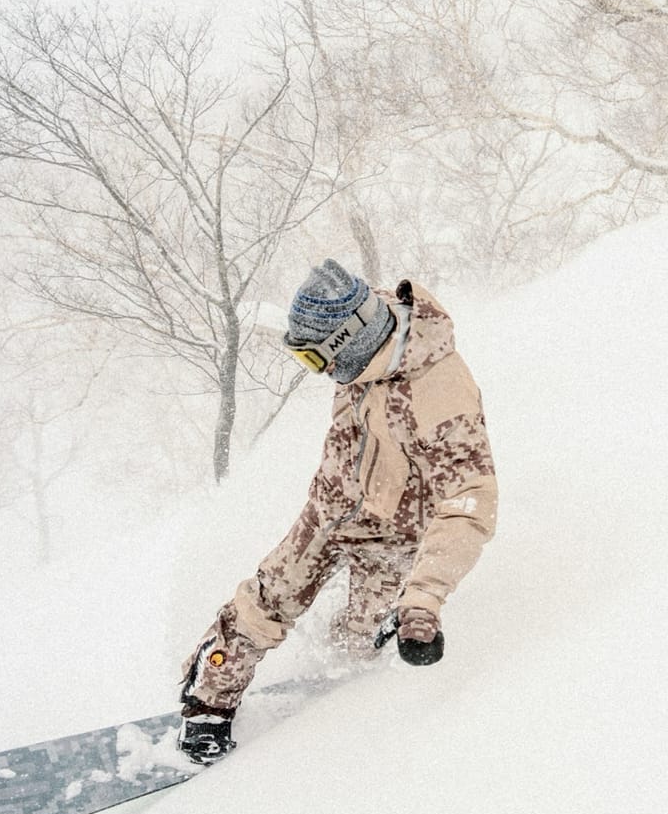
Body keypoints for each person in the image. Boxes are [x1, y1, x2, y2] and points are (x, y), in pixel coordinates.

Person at [177, 259, 498, 764]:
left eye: (313, 358)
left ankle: (372, 645)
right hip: (330, 509)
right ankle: (207, 707)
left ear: (347, 342)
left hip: (391, 539)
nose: (317, 370)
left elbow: (469, 501)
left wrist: (424, 598)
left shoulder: (440, 393)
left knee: (356, 644)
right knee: (265, 600)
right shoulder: (367, 328)